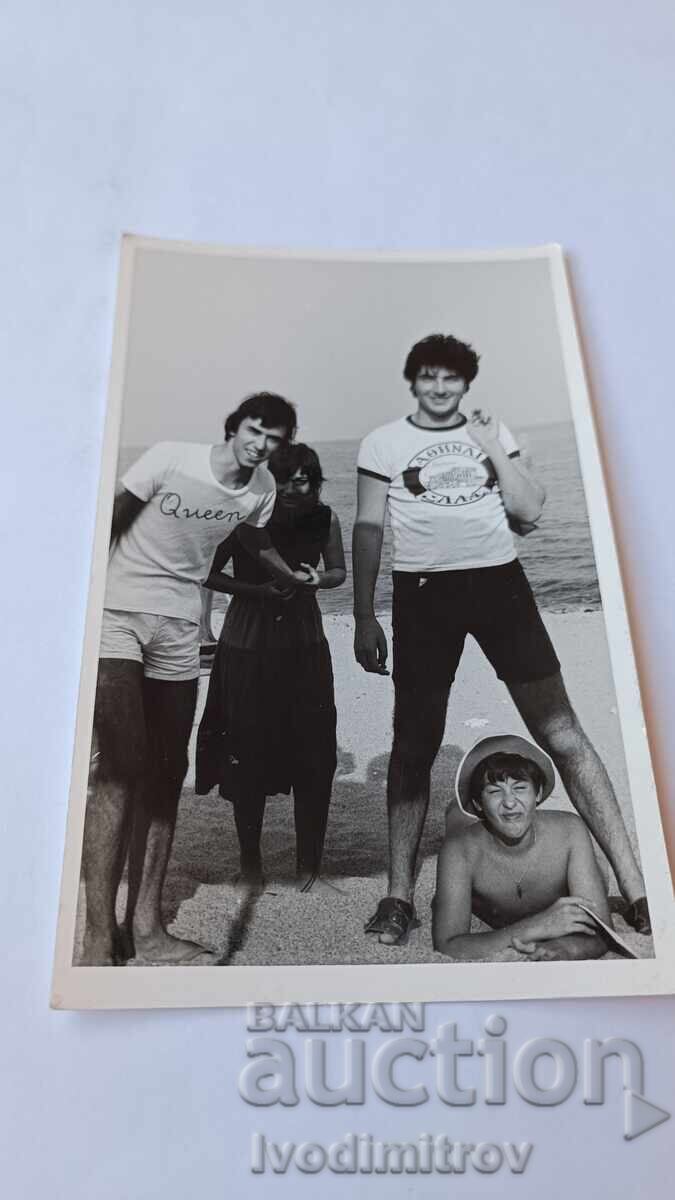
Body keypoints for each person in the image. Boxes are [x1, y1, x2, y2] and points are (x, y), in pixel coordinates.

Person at [353, 333, 649, 945]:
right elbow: (367, 525)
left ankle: (637, 887)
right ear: (413, 381)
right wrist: (363, 613)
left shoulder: (492, 432)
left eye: (452, 378)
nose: (440, 388)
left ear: (467, 384)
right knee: (413, 742)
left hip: (500, 587)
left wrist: (490, 444)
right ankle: (397, 898)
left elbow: (531, 512)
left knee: (562, 731)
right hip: (424, 592)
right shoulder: (384, 443)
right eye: (429, 377)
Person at [81, 392, 314, 966]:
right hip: (117, 615)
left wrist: (290, 576)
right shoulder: (170, 459)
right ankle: (95, 937)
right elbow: (108, 521)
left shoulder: (260, 491)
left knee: (167, 771)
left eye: (274, 439)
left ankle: (148, 927)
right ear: (235, 427)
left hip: (180, 627)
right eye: (254, 431)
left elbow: (253, 540)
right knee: (117, 768)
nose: (260, 445)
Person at [195, 443, 346, 891]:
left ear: (315, 479)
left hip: (305, 645)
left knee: (316, 757)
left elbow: (337, 570)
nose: (294, 487)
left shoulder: (326, 517)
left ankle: (309, 869)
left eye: (303, 478)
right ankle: (251, 868)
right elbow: (204, 572)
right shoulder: (243, 516)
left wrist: (321, 579)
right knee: (247, 757)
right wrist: (257, 591)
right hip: (247, 646)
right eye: (284, 478)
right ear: (268, 481)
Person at [432, 736, 612, 961]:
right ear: (478, 802)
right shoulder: (458, 850)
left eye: (520, 788)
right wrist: (534, 928)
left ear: (538, 794)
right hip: (473, 843)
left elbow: (603, 930)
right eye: (494, 791)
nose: (509, 802)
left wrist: (563, 948)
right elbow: (448, 945)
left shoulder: (570, 830)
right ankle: (457, 811)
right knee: (456, 820)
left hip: (573, 864)